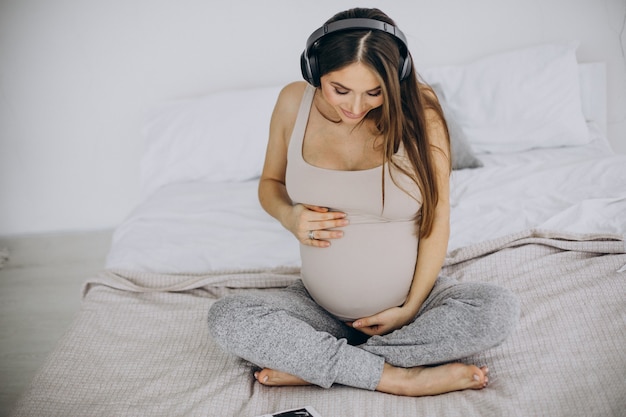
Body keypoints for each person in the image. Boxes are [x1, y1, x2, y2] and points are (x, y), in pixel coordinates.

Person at [208, 7, 519, 397]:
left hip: (411, 309)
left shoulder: (421, 110)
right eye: (340, 90)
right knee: (227, 317)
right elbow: (270, 184)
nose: (356, 107)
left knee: (496, 309)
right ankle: (397, 376)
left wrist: (409, 308)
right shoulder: (293, 102)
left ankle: (318, 365)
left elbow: (438, 218)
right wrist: (289, 215)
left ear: (396, 78)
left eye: (374, 92)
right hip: (317, 310)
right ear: (314, 69)